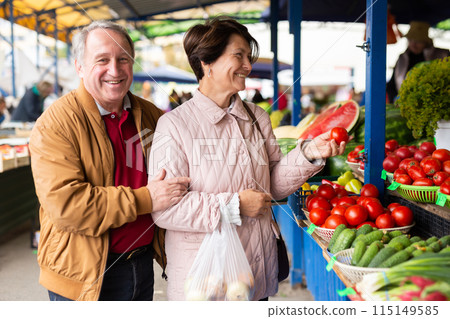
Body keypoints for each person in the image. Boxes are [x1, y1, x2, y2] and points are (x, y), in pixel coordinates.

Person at [147, 17, 346, 301]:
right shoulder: (175, 126)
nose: (248, 67)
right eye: (238, 56)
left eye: (248, 58)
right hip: (206, 282)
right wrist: (234, 205)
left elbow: (271, 186)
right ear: (207, 63)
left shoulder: (256, 117)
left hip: (256, 271)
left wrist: (308, 153)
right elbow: (166, 209)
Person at [29, 20, 190, 301]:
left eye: (123, 60)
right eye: (102, 60)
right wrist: (146, 199)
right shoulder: (56, 123)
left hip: (141, 265)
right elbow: (66, 205)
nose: (114, 70)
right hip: (82, 275)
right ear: (79, 66)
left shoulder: (152, 116)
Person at [386, 21, 449, 103]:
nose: (413, 44)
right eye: (410, 40)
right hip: (406, 104)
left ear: (426, 42)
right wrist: (395, 99)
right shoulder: (402, 58)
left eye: (418, 41)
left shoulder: (443, 54)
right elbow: (392, 85)